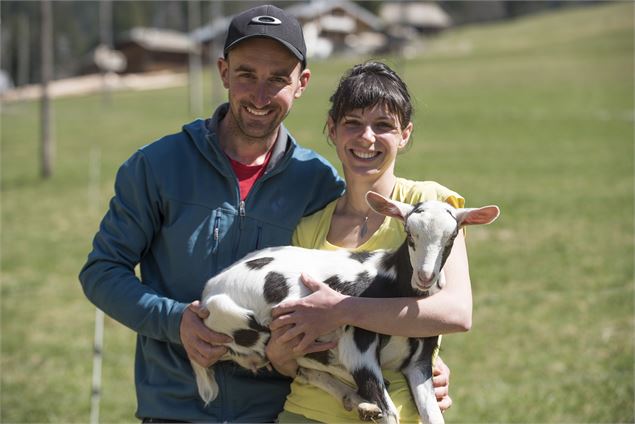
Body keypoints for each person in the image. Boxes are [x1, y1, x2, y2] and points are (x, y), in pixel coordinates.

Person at [79, 5, 450, 422]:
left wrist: (421, 360)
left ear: (301, 83)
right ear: (223, 72)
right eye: (246, 75)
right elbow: (101, 272)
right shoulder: (156, 166)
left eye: (277, 79)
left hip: (275, 412)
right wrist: (175, 321)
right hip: (176, 408)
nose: (260, 95)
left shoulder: (319, 185)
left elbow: (359, 296)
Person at [264, 61, 469, 423]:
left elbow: (455, 312)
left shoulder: (433, 205)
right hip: (306, 413)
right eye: (353, 123)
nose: (367, 138)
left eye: (384, 126)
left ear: (405, 134)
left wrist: (341, 310)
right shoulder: (309, 229)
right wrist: (281, 348)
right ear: (332, 129)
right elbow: (285, 360)